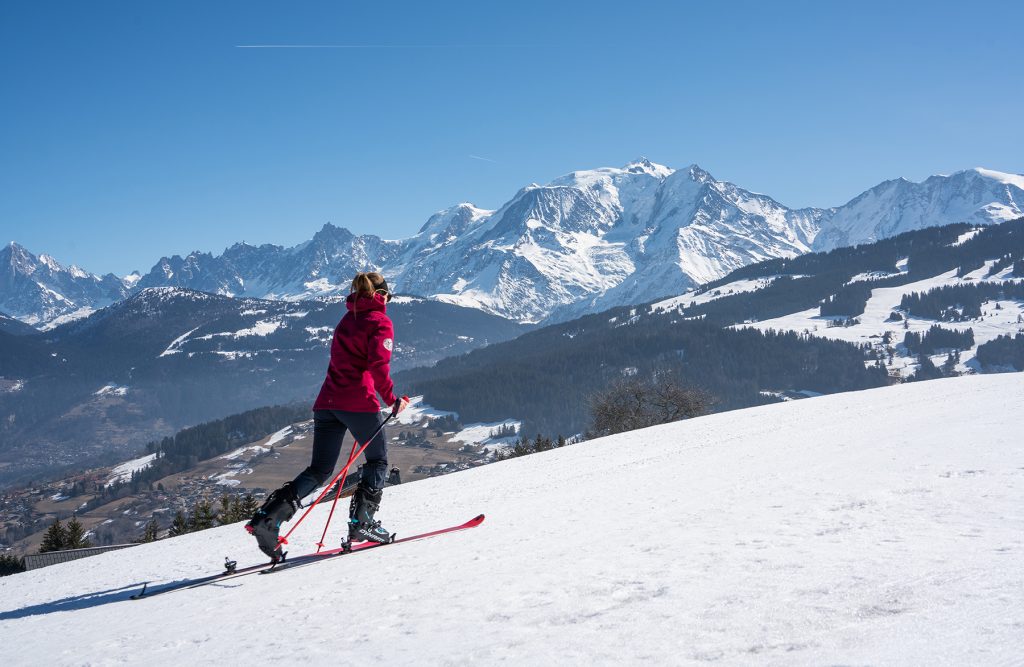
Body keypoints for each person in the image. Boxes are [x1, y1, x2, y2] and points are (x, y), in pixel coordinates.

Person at [247, 271, 408, 561]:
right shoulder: (380, 322)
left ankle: (268, 520)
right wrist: (393, 400)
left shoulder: (346, 320)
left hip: (327, 402)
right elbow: (378, 367)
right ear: (382, 295)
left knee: (319, 470)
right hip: (358, 402)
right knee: (378, 460)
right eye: (389, 297)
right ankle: (363, 525)